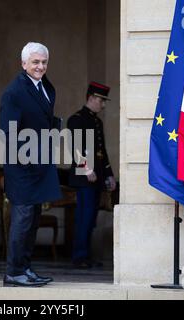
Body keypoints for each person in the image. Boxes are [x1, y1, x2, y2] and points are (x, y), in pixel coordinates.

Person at [0, 42, 62, 287]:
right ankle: (13, 272)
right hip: (23, 167)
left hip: (40, 165)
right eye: (35, 62)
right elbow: (9, 133)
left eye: (44, 62)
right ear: (23, 63)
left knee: (33, 219)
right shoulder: (14, 92)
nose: (40, 66)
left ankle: (25, 268)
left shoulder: (44, 86)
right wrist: (26, 163)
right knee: (23, 219)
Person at [67, 81, 116, 268]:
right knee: (84, 218)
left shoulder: (97, 121)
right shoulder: (77, 119)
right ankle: (79, 257)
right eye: (101, 100)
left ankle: (85, 255)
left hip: (96, 177)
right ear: (91, 98)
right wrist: (86, 167)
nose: (103, 105)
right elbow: (75, 147)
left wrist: (109, 174)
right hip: (84, 177)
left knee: (91, 219)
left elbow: (102, 152)